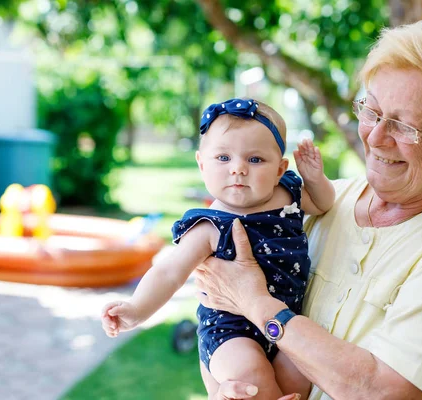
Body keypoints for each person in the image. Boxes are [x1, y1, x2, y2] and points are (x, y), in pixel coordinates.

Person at [195, 19, 422, 400]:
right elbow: (221, 318)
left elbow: (387, 392)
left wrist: (258, 305)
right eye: (372, 110)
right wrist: (229, 387)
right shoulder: (320, 201)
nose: (376, 138)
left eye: (405, 126)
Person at [101, 98, 335, 399]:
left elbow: (322, 203)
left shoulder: (287, 192)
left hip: (285, 320)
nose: (238, 169)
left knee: (303, 372)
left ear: (280, 169)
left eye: (255, 160)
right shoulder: (209, 226)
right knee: (252, 380)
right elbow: (169, 273)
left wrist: (315, 179)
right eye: (223, 158)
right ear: (202, 164)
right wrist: (136, 310)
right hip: (230, 332)